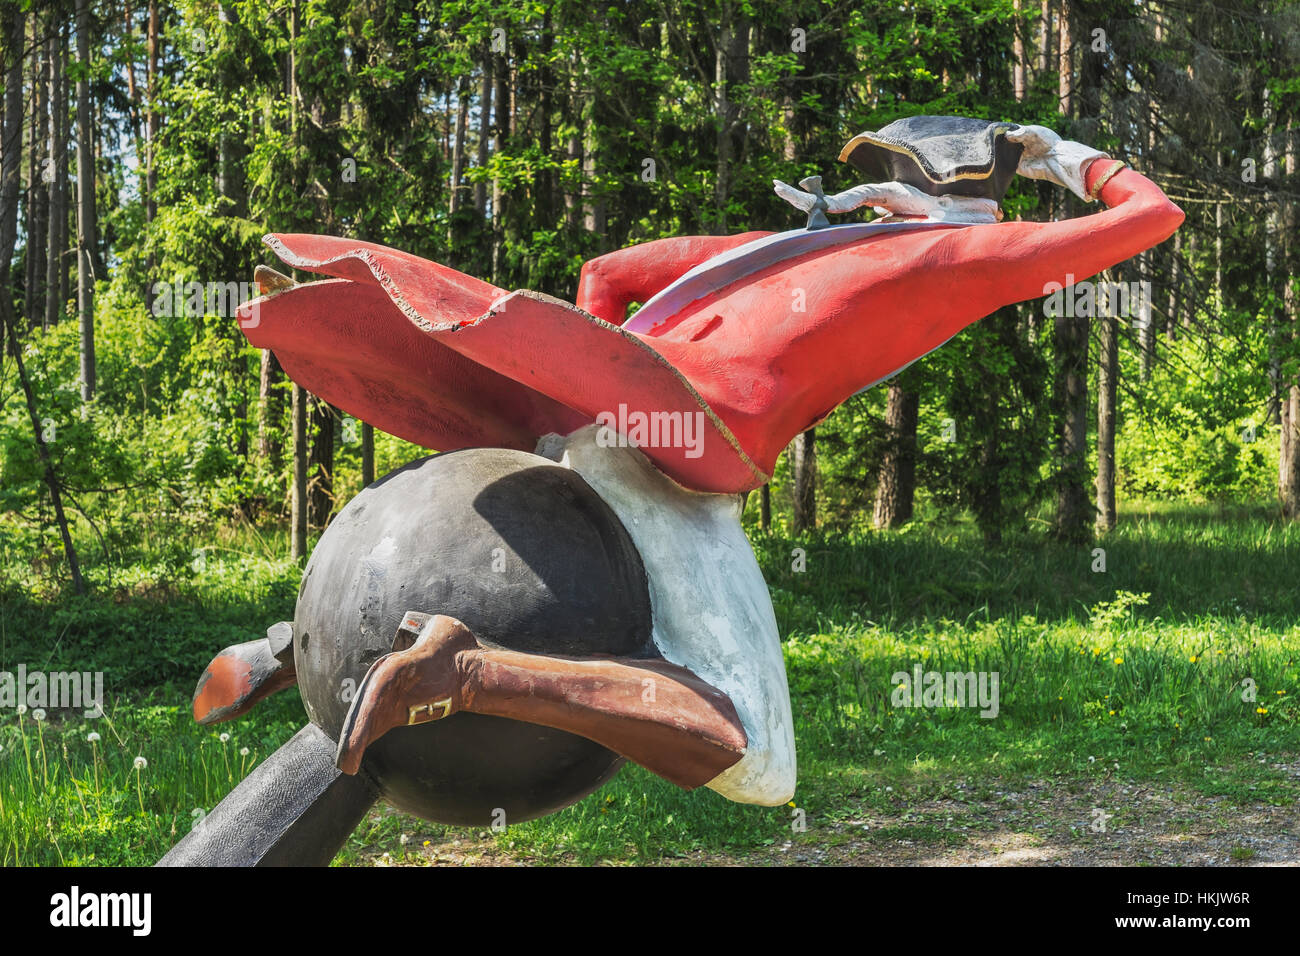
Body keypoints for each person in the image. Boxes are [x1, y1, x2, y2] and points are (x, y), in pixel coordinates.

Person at [225, 123, 1183, 807]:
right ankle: (467, 672)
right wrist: (1062, 154)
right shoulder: (961, 249)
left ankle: (298, 643)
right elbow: (1150, 217)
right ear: (970, 191)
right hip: (684, 450)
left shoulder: (790, 246)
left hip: (581, 414)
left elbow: (605, 276)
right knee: (758, 759)